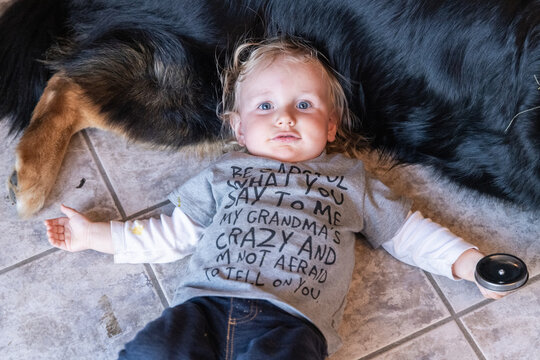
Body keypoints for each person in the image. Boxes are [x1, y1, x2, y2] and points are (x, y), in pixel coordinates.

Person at [44, 37, 509, 359]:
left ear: (330, 127)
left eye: (304, 105)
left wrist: (469, 264)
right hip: (202, 306)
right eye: (266, 106)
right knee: (152, 351)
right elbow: (171, 236)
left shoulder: (351, 180)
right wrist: (96, 235)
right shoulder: (222, 174)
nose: (285, 117)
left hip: (290, 324)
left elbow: (407, 233)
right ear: (240, 127)